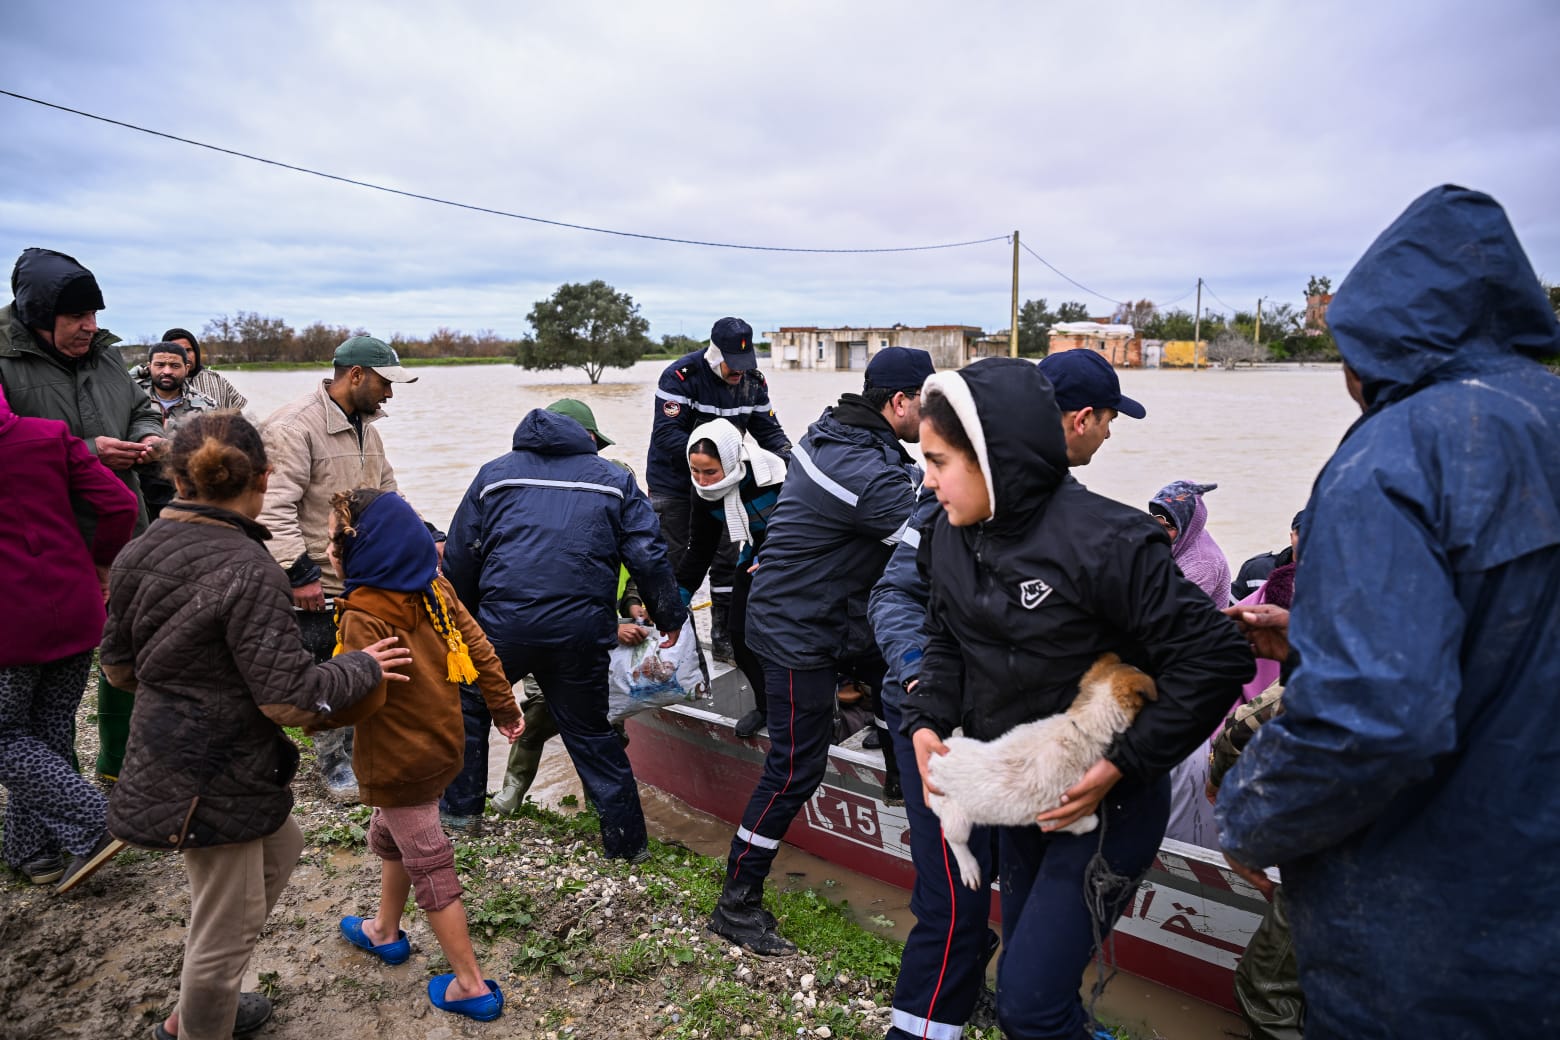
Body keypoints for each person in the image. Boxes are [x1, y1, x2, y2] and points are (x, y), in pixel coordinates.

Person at [1216, 185, 1560, 1037]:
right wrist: (1320, 636)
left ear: (1370, 345)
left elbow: (1375, 721)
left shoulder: (1393, 456)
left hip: (1433, 935)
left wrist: (1250, 816)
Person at [902, 357, 1252, 1040]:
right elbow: (946, 636)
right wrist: (928, 719)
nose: (927, 478)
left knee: (1027, 1006)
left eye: (940, 460)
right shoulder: (948, 535)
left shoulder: (1110, 542)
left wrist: (1121, 764)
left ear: (994, 456)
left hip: (1109, 804)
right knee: (1039, 998)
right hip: (1027, 792)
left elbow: (1218, 657)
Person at [100, 412, 410, 1040]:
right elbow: (290, 702)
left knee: (283, 844)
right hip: (215, 774)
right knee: (225, 928)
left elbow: (118, 670)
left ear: (176, 479)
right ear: (264, 478)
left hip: (166, 751)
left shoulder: (138, 551)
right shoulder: (251, 568)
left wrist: (194, 684)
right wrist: (360, 667)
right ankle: (196, 1023)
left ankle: (199, 1007)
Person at [865, 351, 1147, 1039]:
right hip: (947, 728)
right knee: (956, 902)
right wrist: (924, 695)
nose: (1104, 436)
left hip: (1026, 755)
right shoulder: (948, 513)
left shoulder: (1091, 529)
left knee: (1032, 958)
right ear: (1070, 420)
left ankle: (1035, 1003)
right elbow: (903, 602)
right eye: (1103, 420)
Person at [711, 346, 933, 955]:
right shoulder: (863, 468)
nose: (936, 417)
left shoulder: (841, 436)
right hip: (796, 630)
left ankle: (896, 775)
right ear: (899, 403)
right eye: (930, 405)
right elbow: (935, 535)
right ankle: (737, 903)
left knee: (904, 689)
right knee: (794, 768)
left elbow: (908, 490)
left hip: (832, 616)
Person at [442, 400, 687, 860]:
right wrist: (671, 617)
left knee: (467, 708)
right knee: (591, 733)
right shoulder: (614, 480)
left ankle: (459, 816)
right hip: (580, 632)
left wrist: (465, 628)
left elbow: (460, 556)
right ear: (589, 439)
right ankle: (627, 846)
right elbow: (650, 558)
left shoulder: (494, 475)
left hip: (503, 629)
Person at [321, 488, 521, 1022]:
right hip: (443, 743)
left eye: (334, 544)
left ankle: (471, 986)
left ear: (359, 552)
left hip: (398, 759)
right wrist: (503, 707)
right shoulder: (433, 586)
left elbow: (349, 700)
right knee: (394, 835)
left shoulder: (363, 612)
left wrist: (301, 701)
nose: (330, 553)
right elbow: (478, 645)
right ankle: (385, 931)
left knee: (428, 859)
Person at [0, 248, 169, 786]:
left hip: (125, 526)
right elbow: (11, 443)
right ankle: (63, 797)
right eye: (76, 318)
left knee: (128, 651)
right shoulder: (4, 360)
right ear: (36, 315)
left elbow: (141, 406)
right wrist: (90, 450)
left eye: (94, 316)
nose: (90, 328)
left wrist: (148, 436)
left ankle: (117, 767)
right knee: (42, 696)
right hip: (45, 546)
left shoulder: (104, 353)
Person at [258, 334, 421, 802]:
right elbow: (272, 508)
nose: (390, 393)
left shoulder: (368, 426)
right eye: (385, 383)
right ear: (356, 376)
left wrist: (424, 532)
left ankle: (362, 744)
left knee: (362, 657)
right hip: (313, 576)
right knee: (323, 663)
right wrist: (297, 573)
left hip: (359, 577)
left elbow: (388, 492)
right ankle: (332, 761)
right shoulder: (294, 426)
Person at [0, 384, 137, 889]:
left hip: (9, 620)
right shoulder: (49, 435)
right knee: (48, 728)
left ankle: (101, 818)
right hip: (74, 601)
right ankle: (33, 851)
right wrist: (101, 561)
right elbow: (120, 504)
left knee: (5, 735)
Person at [648, 317, 791, 662]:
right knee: (681, 561)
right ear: (714, 355)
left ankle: (726, 636)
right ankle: (681, 643)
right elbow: (667, 437)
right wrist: (718, 460)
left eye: (746, 366)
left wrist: (792, 465)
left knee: (727, 560)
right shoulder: (681, 377)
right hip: (677, 484)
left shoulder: (753, 383)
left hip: (724, 482)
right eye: (733, 365)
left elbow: (770, 433)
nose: (739, 373)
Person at [675, 418, 787, 738]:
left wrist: (775, 557)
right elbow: (700, 550)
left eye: (710, 472)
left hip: (795, 549)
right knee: (739, 634)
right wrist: (675, 600)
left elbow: (806, 521)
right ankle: (766, 707)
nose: (703, 480)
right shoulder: (703, 494)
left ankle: (823, 695)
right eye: (695, 471)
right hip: (753, 551)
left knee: (792, 632)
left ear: (732, 459)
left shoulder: (775, 475)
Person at [135, 341, 218, 520]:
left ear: (186, 368)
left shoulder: (207, 405)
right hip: (136, 487)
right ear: (149, 367)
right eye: (159, 365)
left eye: (174, 366)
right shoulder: (132, 397)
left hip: (183, 491)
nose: (166, 371)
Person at [1036, 348, 1147, 466]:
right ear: (1083, 421)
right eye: (1109, 421)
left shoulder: (1020, 467)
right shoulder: (1050, 482)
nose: (1107, 434)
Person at [1148, 480, 1231, 607]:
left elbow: (1167, 614)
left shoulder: (1203, 564)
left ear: (1186, 527)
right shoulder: (1179, 539)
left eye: (1168, 527)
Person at [154, 327, 249, 411]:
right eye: (176, 351)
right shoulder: (151, 384)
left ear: (196, 352)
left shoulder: (217, 380)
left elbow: (237, 416)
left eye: (188, 350)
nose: (184, 356)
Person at [1230, 511, 1301, 604]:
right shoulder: (1256, 569)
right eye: (1302, 532)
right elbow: (1226, 610)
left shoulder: (1325, 579)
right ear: (1291, 537)